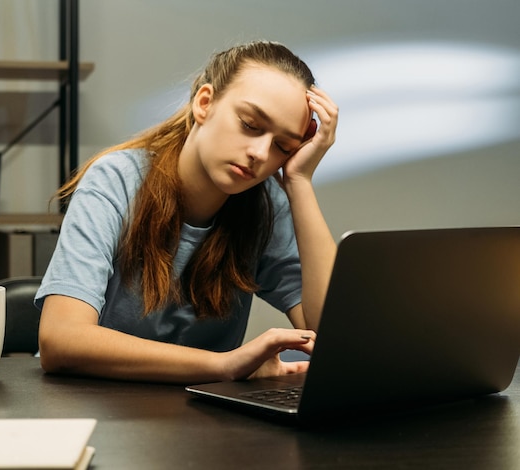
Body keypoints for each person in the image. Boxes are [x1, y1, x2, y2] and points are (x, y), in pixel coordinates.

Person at [35, 40, 338, 384]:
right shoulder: (116, 180)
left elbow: (333, 339)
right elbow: (60, 340)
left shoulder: (266, 203)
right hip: (93, 411)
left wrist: (299, 181)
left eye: (282, 146)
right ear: (204, 103)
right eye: (250, 125)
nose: (260, 153)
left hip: (202, 423)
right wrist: (225, 365)